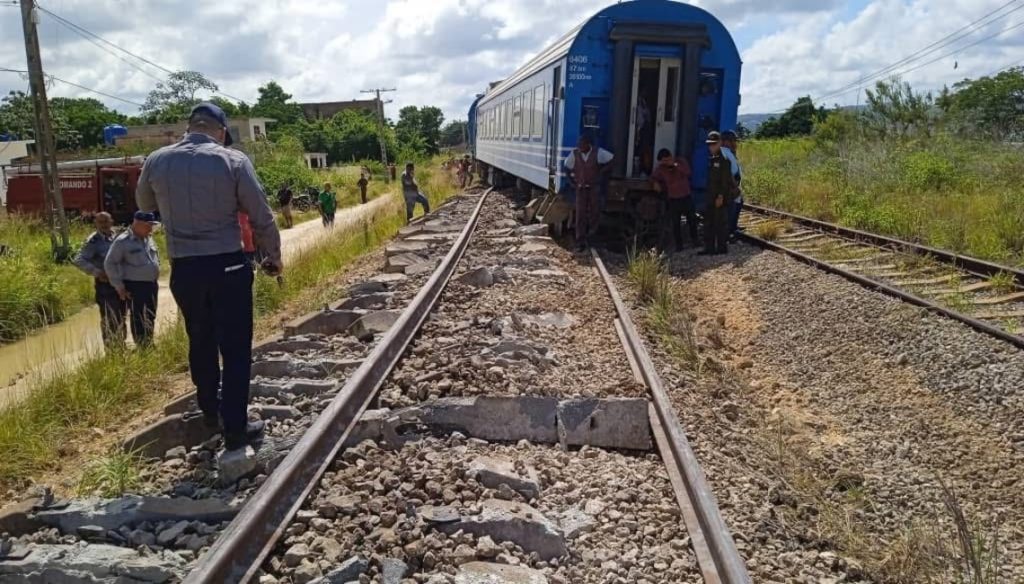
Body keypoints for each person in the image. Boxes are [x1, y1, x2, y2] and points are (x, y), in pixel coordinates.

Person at [136, 101, 282, 453]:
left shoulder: (156, 160)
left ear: (189, 127)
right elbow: (261, 215)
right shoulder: (232, 160)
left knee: (199, 340)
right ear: (220, 131)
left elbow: (144, 202)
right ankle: (235, 427)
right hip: (228, 266)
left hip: (185, 267)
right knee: (234, 348)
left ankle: (210, 413)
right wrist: (272, 258)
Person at [103, 211, 160, 348]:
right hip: (135, 286)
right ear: (138, 224)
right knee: (139, 317)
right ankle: (142, 346)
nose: (150, 229)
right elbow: (110, 263)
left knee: (150, 315)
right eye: (148, 226)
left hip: (151, 284)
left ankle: (149, 342)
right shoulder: (123, 241)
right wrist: (119, 286)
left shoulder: (148, 238)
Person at [73, 212, 126, 347]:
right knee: (110, 318)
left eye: (106, 221)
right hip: (106, 286)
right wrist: (97, 272)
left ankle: (121, 346)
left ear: (111, 222)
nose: (103, 225)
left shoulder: (118, 236)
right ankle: (112, 350)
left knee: (121, 316)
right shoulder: (93, 241)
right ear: (95, 224)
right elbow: (79, 259)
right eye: (100, 222)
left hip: (122, 283)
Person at [564, 134, 613, 251]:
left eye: (582, 144)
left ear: (588, 144)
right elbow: (566, 167)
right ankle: (580, 240)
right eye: (579, 144)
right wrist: (571, 182)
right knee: (580, 213)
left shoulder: (598, 152)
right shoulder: (574, 154)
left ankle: (592, 236)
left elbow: (612, 160)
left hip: (594, 187)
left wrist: (601, 173)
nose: (579, 146)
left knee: (594, 211)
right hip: (580, 188)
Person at [650, 148, 696, 252]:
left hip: (685, 196)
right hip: (673, 198)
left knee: (692, 220)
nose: (665, 163)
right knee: (676, 223)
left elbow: (688, 172)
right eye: (663, 161)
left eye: (666, 160)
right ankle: (679, 246)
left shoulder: (681, 162)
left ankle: (695, 241)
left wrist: (675, 165)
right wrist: (654, 183)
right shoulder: (661, 168)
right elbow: (653, 176)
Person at [701, 131, 737, 256]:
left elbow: (725, 181)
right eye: (710, 144)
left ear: (720, 143)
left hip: (719, 197)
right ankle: (709, 248)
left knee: (720, 224)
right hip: (711, 196)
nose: (711, 147)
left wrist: (720, 196)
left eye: (714, 144)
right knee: (709, 223)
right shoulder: (712, 159)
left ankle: (721, 248)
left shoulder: (724, 161)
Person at [721, 130, 744, 240]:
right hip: (729, 187)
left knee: (737, 205)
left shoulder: (728, 152)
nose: (735, 143)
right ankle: (727, 235)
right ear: (726, 142)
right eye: (733, 141)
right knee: (730, 210)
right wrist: (734, 186)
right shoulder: (724, 153)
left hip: (733, 186)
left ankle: (733, 228)